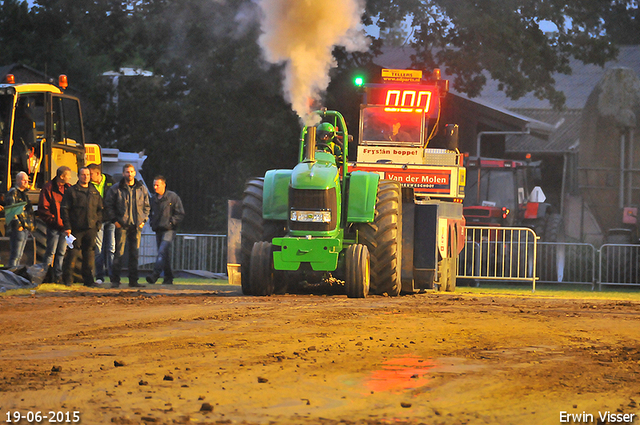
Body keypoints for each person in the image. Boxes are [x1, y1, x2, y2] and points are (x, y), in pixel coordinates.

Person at [105, 164, 150, 288]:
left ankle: (133, 281)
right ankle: (115, 281)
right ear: (123, 173)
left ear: (135, 173)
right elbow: (108, 205)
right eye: (127, 172)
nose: (129, 174)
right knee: (118, 253)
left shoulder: (142, 188)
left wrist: (143, 220)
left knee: (134, 254)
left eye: (131, 171)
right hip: (122, 225)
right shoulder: (115, 189)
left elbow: (147, 206)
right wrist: (115, 220)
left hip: (136, 226)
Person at [61, 167, 103, 287]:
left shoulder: (94, 191)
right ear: (78, 176)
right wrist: (67, 226)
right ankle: (68, 280)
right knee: (72, 255)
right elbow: (65, 209)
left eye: (88, 175)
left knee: (89, 256)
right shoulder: (71, 191)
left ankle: (89, 281)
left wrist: (98, 224)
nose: (86, 177)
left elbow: (100, 209)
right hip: (75, 229)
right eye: (83, 175)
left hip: (91, 229)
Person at [146, 176, 185, 285]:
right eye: (154, 185)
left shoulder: (172, 197)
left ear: (164, 185)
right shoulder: (153, 199)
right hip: (158, 229)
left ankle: (155, 275)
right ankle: (168, 277)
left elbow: (180, 213)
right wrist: (152, 222)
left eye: (157, 185)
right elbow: (149, 212)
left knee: (162, 251)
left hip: (169, 229)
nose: (155, 187)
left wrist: (171, 222)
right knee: (164, 255)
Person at [38, 166, 72, 284]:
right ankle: (45, 276)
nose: (70, 177)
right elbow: (43, 208)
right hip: (54, 227)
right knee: (50, 252)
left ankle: (58, 277)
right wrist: (55, 221)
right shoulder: (48, 188)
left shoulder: (69, 188)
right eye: (68, 175)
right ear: (62, 176)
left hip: (64, 227)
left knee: (61, 252)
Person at [88, 163, 115, 284]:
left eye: (91, 174)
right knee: (98, 248)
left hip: (111, 220)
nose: (88, 176)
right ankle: (99, 276)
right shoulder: (88, 186)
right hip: (97, 221)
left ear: (98, 173)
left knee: (111, 248)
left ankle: (113, 275)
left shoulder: (110, 182)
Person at [5, 171, 34, 267]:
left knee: (20, 254)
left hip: (25, 227)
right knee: (16, 254)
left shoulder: (24, 194)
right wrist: (18, 225)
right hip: (18, 228)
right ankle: (12, 274)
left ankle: (15, 274)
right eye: (23, 180)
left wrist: (29, 226)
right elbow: (12, 211)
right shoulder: (13, 193)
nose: (26, 182)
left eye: (27, 180)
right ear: (17, 181)